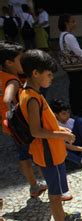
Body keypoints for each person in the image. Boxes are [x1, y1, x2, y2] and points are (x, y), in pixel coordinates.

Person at [19, 49, 82, 221]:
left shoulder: (31, 92)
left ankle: (62, 217)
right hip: (48, 155)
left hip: (51, 152)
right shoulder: (31, 98)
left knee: (57, 191)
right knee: (55, 195)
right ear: (36, 73)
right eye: (48, 75)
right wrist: (63, 134)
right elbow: (36, 131)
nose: (51, 79)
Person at [0, 42, 47, 198]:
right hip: (20, 126)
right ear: (9, 62)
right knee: (34, 153)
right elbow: (7, 97)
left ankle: (34, 185)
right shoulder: (12, 80)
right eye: (21, 60)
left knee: (23, 155)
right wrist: (13, 111)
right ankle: (44, 184)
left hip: (11, 127)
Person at [58, 14, 82, 118]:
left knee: (73, 88)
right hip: (77, 66)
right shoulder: (70, 37)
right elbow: (78, 51)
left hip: (69, 66)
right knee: (79, 88)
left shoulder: (62, 35)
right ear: (66, 23)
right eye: (72, 21)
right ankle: (80, 110)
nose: (74, 23)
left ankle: (75, 109)